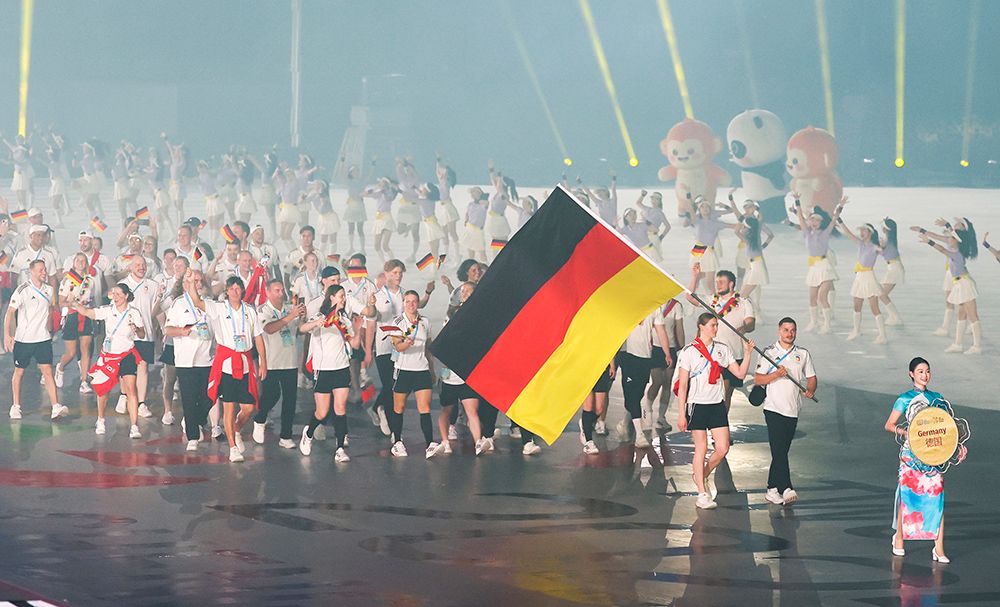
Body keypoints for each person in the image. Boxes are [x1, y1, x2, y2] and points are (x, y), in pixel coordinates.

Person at [884, 357, 965, 563]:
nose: (925, 375)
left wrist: (957, 447)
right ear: (911, 374)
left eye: (927, 371)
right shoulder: (905, 398)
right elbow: (889, 424)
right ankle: (899, 539)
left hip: (934, 455)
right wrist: (905, 432)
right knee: (907, 498)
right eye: (920, 371)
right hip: (911, 455)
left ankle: (939, 548)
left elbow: (946, 428)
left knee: (937, 500)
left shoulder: (937, 398)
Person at [675, 313, 754, 509]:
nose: (716, 329)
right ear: (701, 327)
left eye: (716, 325)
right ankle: (702, 493)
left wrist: (747, 354)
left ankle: (701, 475)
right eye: (712, 325)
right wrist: (681, 413)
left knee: (723, 448)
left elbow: (740, 374)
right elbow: (683, 385)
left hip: (716, 403)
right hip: (696, 404)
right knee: (701, 447)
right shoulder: (689, 351)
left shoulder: (722, 349)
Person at [190, 275, 268, 463]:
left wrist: (263, 361)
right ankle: (232, 448)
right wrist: (192, 281)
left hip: (245, 363)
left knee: (248, 408)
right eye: (231, 288)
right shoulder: (219, 308)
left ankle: (236, 428)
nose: (235, 291)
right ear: (226, 291)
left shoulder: (249, 311)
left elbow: (258, 337)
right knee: (229, 407)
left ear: (242, 291)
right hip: (226, 365)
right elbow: (197, 301)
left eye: (238, 288)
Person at [754, 317, 817, 506]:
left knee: (781, 451)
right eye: (786, 330)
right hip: (773, 408)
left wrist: (810, 389)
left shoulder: (802, 354)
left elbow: (811, 377)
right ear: (779, 331)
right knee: (779, 449)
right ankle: (787, 488)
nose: (789, 334)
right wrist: (776, 374)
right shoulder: (769, 353)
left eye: (792, 330)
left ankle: (772, 489)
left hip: (793, 409)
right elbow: (758, 379)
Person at [298, 285, 364, 462]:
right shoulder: (321, 316)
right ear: (332, 297)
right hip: (323, 369)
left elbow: (354, 344)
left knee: (340, 408)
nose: (344, 299)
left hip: (341, 368)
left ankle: (340, 448)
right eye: (341, 295)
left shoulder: (345, 320)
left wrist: (358, 329)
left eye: (344, 296)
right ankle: (308, 434)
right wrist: (315, 324)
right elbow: (303, 328)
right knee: (322, 412)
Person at [73, 282, 145, 437]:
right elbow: (88, 312)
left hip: (127, 354)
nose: (115, 297)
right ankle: (101, 420)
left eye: (119, 294)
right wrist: (76, 304)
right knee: (103, 391)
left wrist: (137, 329)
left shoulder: (134, 312)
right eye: (114, 294)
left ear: (126, 296)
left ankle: (134, 426)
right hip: (109, 356)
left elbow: (142, 334)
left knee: (131, 388)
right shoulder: (108, 310)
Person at [685, 265, 755, 413]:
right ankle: (715, 421)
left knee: (727, 394)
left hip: (735, 355)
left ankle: (722, 421)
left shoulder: (743, 302)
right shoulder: (712, 301)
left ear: (731, 284)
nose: (718, 285)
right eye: (717, 282)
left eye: (721, 282)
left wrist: (744, 327)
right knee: (722, 390)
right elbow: (690, 297)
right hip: (714, 355)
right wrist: (695, 276)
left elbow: (751, 323)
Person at [5, 260, 65, 420]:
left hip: (43, 339)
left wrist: (53, 329)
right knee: (19, 372)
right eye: (41, 270)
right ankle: (16, 406)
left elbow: (50, 311)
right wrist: (7, 335)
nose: (44, 273)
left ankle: (55, 407)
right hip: (24, 340)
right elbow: (10, 313)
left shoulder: (49, 290)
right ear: (32, 271)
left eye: (45, 270)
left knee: (47, 371)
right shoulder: (22, 290)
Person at [163, 269, 215, 451]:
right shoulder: (178, 304)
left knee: (210, 397)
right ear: (185, 284)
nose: (198, 284)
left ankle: (195, 420)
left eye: (200, 281)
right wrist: (182, 331)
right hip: (186, 361)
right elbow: (168, 329)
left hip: (207, 359)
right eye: (194, 281)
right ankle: (192, 437)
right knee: (189, 398)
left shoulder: (209, 303)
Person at [913, 219, 981, 354]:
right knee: (961, 314)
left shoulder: (956, 253)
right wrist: (946, 227)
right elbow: (946, 245)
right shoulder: (957, 249)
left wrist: (929, 242)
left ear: (956, 241)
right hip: (959, 284)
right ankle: (958, 344)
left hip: (964, 284)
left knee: (972, 316)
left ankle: (977, 346)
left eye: (951, 238)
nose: (948, 239)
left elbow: (942, 249)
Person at [434, 281, 485, 455]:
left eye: (469, 291)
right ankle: (445, 442)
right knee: (447, 409)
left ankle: (478, 442)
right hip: (451, 372)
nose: (465, 293)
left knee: (472, 410)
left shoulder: (480, 315)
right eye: (463, 291)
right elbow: (445, 339)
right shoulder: (452, 314)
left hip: (469, 372)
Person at [386, 290, 438, 458]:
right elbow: (397, 346)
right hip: (403, 369)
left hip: (421, 369)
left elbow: (428, 348)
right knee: (399, 407)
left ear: (418, 303)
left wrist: (432, 369)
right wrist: (406, 343)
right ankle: (397, 442)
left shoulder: (425, 322)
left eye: (414, 301)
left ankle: (430, 444)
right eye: (407, 301)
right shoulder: (397, 322)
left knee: (425, 408)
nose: (411, 304)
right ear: (403, 303)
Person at [254, 279, 305, 449]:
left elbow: (300, 330)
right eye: (276, 290)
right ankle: (260, 418)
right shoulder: (263, 310)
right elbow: (269, 329)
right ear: (268, 292)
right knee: (271, 395)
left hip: (290, 360)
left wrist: (303, 318)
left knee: (290, 399)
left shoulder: (291, 309)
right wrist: (291, 316)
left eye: (282, 290)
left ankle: (286, 436)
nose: (281, 294)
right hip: (271, 362)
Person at [792, 198, 844, 334]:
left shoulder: (825, 233)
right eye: (812, 220)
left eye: (817, 221)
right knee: (812, 297)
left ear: (821, 223)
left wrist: (840, 206)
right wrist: (797, 202)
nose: (814, 223)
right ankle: (813, 322)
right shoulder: (807, 233)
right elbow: (800, 218)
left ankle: (827, 324)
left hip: (825, 266)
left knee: (822, 297)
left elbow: (834, 219)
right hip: (814, 267)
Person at [839, 220, 889, 344]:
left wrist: (883, 246)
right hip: (859, 277)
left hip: (869, 277)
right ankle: (856, 330)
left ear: (870, 233)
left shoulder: (874, 247)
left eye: (864, 230)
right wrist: (839, 220)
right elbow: (848, 233)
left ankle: (882, 335)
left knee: (874, 308)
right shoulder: (861, 244)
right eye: (860, 230)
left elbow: (883, 252)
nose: (861, 232)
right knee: (856, 306)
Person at [55, 253, 97, 395]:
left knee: (86, 349)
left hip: (86, 316)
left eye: (83, 260)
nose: (80, 262)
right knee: (72, 352)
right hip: (72, 316)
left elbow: (92, 299)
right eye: (78, 260)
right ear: (73, 263)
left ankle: (84, 381)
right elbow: (61, 303)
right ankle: (60, 367)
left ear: (86, 263)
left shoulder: (90, 280)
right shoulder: (67, 280)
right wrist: (71, 302)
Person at [647, 298, 684, 433]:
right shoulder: (652, 303)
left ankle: (661, 418)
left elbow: (679, 328)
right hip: (654, 348)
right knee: (657, 381)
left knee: (667, 384)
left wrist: (682, 348)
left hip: (671, 348)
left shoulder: (676, 306)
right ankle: (647, 411)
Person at [877, 218, 905, 325]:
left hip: (894, 268)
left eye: (883, 227)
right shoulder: (889, 240)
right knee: (881, 294)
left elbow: (881, 250)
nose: (882, 229)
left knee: (881, 294)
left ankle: (896, 317)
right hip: (892, 268)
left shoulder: (889, 240)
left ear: (887, 228)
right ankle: (893, 316)